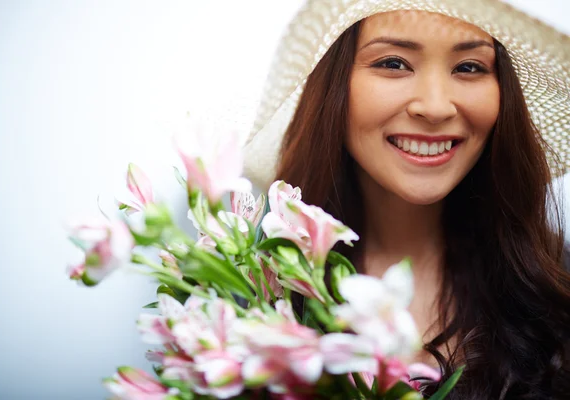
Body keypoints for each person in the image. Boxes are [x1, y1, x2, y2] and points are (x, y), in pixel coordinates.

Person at [243, 0, 570, 398]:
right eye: (393, 63)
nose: (434, 107)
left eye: (469, 67)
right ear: (335, 83)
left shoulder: (554, 286)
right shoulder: (251, 288)